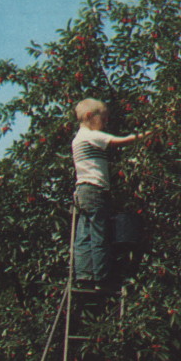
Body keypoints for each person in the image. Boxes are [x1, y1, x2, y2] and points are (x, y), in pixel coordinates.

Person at [71, 98, 148, 289]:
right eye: (103, 119)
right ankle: (101, 278)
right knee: (99, 233)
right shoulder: (91, 135)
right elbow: (122, 141)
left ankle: (84, 276)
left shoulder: (77, 139)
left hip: (82, 191)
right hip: (95, 190)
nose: (105, 123)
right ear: (89, 116)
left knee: (84, 234)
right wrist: (147, 134)